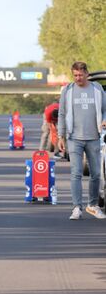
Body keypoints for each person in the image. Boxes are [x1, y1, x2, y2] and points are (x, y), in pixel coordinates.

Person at [58, 61, 106, 220]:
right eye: (75, 75)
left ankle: (92, 205)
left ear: (87, 73)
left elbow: (105, 110)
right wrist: (61, 136)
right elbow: (62, 114)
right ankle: (76, 207)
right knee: (76, 173)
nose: (78, 78)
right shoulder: (68, 90)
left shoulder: (97, 89)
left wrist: (104, 119)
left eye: (80, 75)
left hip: (94, 137)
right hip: (74, 138)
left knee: (96, 173)